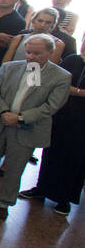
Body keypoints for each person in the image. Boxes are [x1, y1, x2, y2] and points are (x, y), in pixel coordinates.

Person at [0, 35, 70, 219]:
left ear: (50, 52)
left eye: (37, 53)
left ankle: (4, 202)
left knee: (15, 169)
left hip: (27, 128)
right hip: (0, 122)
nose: (31, 57)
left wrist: (21, 118)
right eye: (28, 52)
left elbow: (51, 106)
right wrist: (4, 113)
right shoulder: (10, 67)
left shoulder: (61, 77)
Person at [21, 50, 85, 215]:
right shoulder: (74, 60)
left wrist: (72, 90)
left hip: (82, 123)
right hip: (61, 115)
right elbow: (58, 81)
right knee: (51, 152)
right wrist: (78, 92)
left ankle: (64, 199)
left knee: (75, 159)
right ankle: (42, 188)